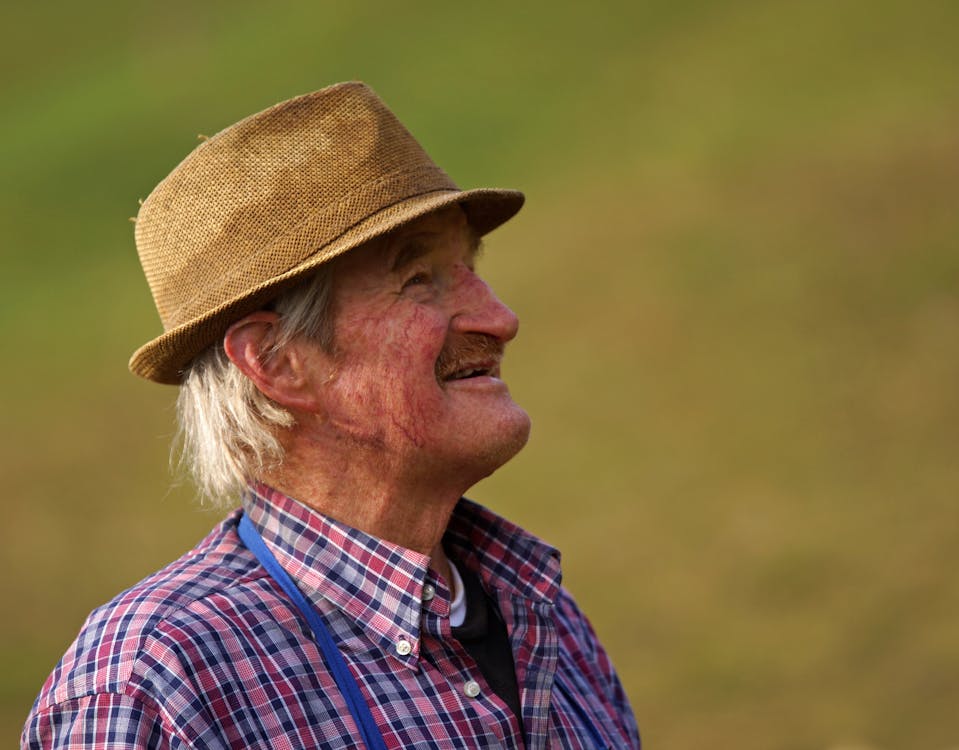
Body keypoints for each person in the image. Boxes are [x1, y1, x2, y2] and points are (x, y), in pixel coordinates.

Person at [23, 82, 640, 749]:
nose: (500, 318)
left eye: (469, 267)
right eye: (419, 280)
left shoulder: (543, 618)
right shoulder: (155, 678)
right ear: (279, 361)